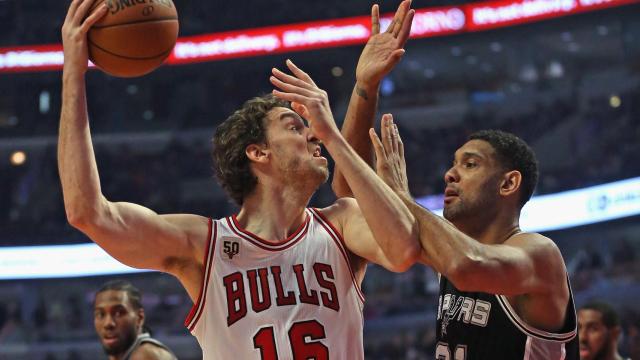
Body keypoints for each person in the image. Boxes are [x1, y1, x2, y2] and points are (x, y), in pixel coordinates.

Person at [59, 0, 416, 358]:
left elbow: (402, 250)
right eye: (295, 127)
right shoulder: (204, 246)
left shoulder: (340, 225)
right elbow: (87, 213)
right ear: (257, 152)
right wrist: (73, 73)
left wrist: (359, 96)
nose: (315, 135)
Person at [333, 115, 580, 356]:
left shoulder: (539, 253)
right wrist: (366, 87)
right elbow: (354, 197)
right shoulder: (446, 251)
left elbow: (466, 265)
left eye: (470, 164)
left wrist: (401, 196)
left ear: (508, 184)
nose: (450, 174)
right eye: (454, 163)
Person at [93, 280, 177, 360]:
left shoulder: (145, 355)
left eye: (118, 313)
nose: (108, 323)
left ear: (140, 318)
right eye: (100, 314)